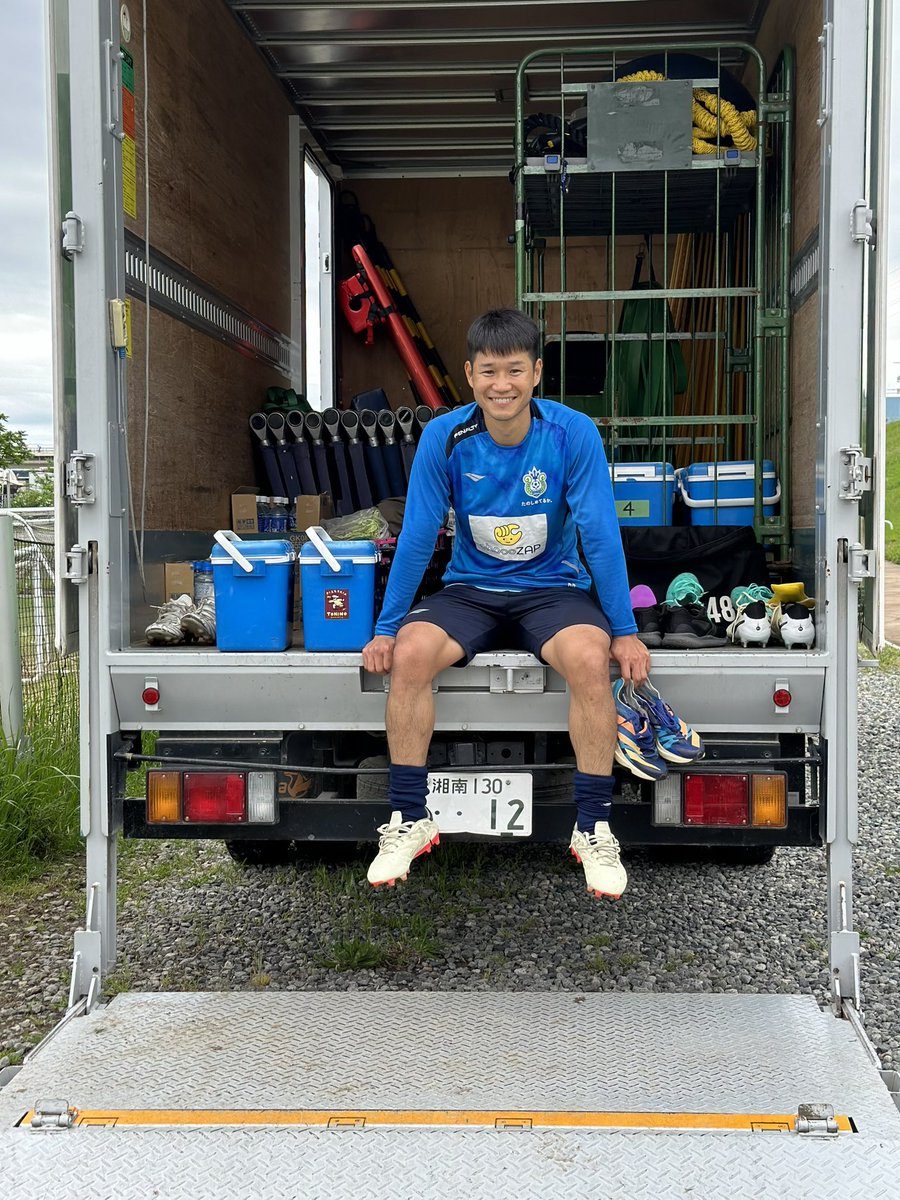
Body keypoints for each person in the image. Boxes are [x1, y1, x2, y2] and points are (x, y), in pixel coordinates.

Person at [361, 308, 650, 898]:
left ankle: (592, 826)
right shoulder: (445, 437)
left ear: (537, 372)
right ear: (468, 375)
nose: (502, 385)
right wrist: (387, 627)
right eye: (489, 371)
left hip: (553, 592)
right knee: (411, 655)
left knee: (593, 661)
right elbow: (416, 536)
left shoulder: (573, 434)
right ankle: (410, 818)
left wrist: (623, 627)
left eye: (515, 370)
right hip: (471, 592)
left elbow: (599, 532)